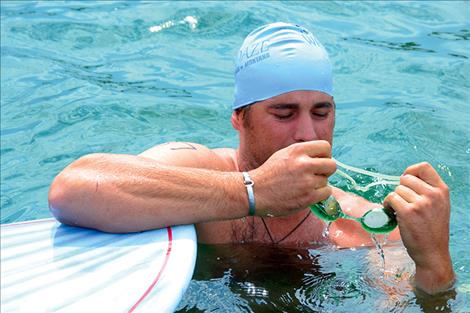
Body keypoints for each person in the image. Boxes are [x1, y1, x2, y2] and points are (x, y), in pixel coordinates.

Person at [48, 22, 454, 295]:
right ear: (239, 118)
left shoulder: (360, 227)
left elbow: (400, 302)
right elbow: (74, 190)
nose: (308, 134)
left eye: (321, 112)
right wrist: (252, 191)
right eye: (283, 113)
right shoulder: (200, 172)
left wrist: (434, 262)